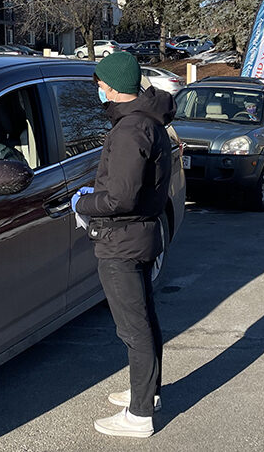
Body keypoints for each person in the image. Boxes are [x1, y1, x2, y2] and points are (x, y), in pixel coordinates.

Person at [71, 51, 175, 438]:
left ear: (114, 88)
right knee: (144, 319)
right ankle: (147, 392)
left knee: (133, 329)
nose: (98, 89)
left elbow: (121, 198)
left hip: (123, 241)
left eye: (100, 83)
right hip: (139, 235)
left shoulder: (131, 130)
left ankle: (140, 415)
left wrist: (82, 203)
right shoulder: (146, 122)